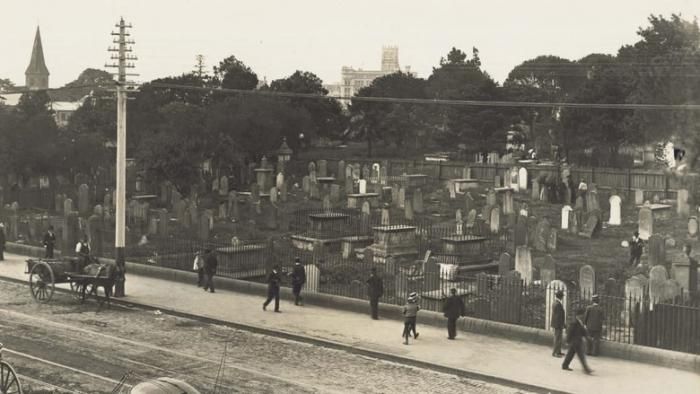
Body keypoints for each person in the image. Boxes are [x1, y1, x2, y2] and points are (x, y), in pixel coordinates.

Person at [562, 308, 593, 374]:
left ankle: (565, 365)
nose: (584, 316)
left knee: (570, 354)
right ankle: (586, 369)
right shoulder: (574, 322)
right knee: (581, 356)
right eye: (583, 314)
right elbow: (570, 332)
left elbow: (582, 331)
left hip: (576, 341)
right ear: (579, 315)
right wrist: (567, 341)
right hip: (575, 341)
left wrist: (587, 336)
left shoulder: (579, 322)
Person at [551, 290, 566, 357]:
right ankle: (555, 353)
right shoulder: (558, 304)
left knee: (559, 338)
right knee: (557, 338)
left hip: (557, 323)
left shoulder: (555, 303)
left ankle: (558, 351)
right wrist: (561, 324)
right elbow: (558, 316)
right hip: (558, 324)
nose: (562, 297)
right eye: (562, 296)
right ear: (560, 297)